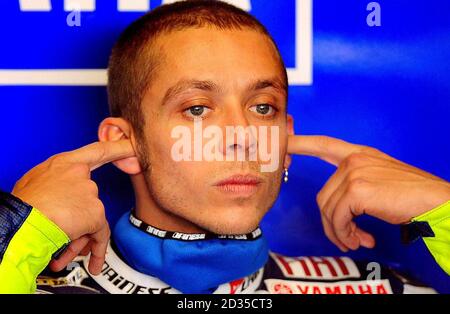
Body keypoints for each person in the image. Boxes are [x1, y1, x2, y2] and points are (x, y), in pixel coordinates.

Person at [0, 0, 448, 294]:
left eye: (262, 108)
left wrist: (444, 210)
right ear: (125, 145)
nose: (243, 136)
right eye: (197, 109)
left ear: (285, 140)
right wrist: (15, 234)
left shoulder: (379, 289)